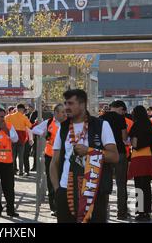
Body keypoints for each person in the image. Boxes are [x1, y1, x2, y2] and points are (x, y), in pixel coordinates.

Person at [50, 89, 118, 223]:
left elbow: (114, 156)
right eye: (65, 103)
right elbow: (54, 162)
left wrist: (89, 151)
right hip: (66, 190)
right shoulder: (63, 128)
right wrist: (57, 190)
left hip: (93, 191)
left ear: (82, 104)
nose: (66, 107)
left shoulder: (101, 125)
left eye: (70, 103)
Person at [31, 103, 66, 216]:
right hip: (50, 156)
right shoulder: (49, 122)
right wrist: (44, 133)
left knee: (64, 182)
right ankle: (54, 208)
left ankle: (64, 207)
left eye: (66, 112)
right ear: (56, 113)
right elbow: (34, 129)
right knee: (52, 182)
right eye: (62, 112)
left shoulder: (70, 123)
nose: (65, 114)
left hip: (65, 157)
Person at [127, 105, 152, 222]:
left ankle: (140, 211)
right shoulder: (149, 124)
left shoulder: (136, 125)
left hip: (137, 157)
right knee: (147, 185)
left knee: (138, 185)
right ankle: (147, 212)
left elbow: (134, 143)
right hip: (148, 155)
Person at [103, 100, 129, 220]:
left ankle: (104, 212)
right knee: (121, 184)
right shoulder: (120, 119)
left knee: (105, 183)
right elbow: (124, 137)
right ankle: (121, 213)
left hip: (106, 154)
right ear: (118, 108)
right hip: (120, 152)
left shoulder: (101, 118)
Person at [5, 104, 32, 176]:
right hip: (21, 138)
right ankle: (21, 171)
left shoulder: (9, 117)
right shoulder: (24, 117)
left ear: (17, 109)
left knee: (12, 155)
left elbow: (4, 123)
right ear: (22, 109)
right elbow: (30, 126)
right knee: (21, 156)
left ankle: (12, 170)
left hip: (12, 137)